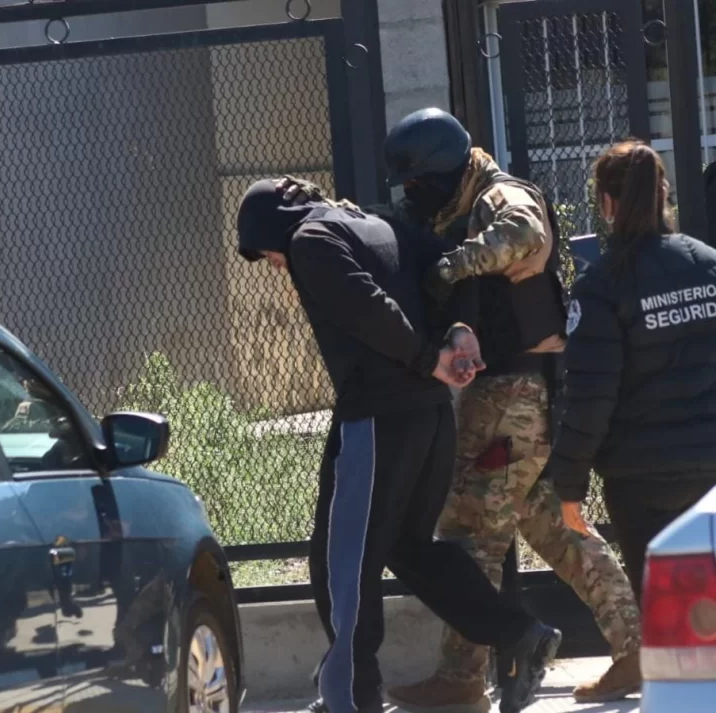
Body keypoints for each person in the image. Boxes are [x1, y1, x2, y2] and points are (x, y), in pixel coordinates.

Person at [236, 179, 562, 713]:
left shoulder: (311, 240)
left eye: (267, 253)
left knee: (342, 563)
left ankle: (352, 697)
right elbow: (452, 265)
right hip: (430, 416)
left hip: (377, 419)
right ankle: (518, 633)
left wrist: (428, 357)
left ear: (275, 226)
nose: (274, 264)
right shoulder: (378, 223)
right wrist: (460, 329)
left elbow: (368, 306)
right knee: (408, 547)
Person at [382, 109, 642, 712]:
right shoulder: (467, 204)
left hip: (512, 397)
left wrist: (449, 267)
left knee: (471, 531)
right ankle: (636, 646)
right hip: (522, 392)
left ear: (444, 169)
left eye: (419, 182)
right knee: (555, 527)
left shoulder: (500, 196)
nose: (415, 195)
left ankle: (461, 677)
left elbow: (526, 234)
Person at [544, 139, 716, 604]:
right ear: (664, 194)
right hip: (710, 470)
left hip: (641, 480)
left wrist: (570, 484)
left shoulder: (602, 284)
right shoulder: (707, 264)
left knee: (668, 612)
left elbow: (589, 397)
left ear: (606, 203)